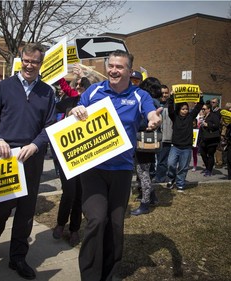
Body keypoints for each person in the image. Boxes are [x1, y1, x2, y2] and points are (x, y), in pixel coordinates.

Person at [70, 50, 162, 281]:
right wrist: (76, 110)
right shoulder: (94, 91)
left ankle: (111, 274)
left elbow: (150, 112)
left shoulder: (140, 95)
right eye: (111, 65)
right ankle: (90, 275)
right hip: (92, 169)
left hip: (121, 170)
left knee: (115, 223)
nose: (113, 70)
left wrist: (153, 118)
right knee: (96, 220)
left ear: (130, 71)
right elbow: (74, 113)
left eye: (119, 67)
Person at [0, 43, 56, 280]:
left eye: (35, 62)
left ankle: (18, 257)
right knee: (0, 210)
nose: (30, 65)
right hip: (5, 157)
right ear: (20, 60)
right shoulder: (4, 86)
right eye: (27, 60)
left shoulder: (47, 91)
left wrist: (35, 145)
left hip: (32, 158)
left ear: (41, 64)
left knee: (25, 211)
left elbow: (50, 125)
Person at [51, 74, 91, 247]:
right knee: (69, 192)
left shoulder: (94, 103)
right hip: (66, 156)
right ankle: (61, 224)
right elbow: (50, 110)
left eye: (83, 85)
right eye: (77, 84)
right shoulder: (68, 102)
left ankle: (74, 229)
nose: (80, 87)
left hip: (85, 157)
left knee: (80, 195)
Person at [131, 77, 162, 216]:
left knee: (143, 173)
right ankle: (153, 197)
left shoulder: (148, 102)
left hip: (144, 141)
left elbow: (144, 123)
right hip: (148, 142)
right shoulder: (155, 101)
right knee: (145, 172)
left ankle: (145, 204)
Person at [166, 94, 204, 191]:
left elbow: (199, 106)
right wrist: (171, 97)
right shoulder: (174, 116)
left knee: (183, 167)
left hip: (186, 148)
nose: (185, 111)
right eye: (183, 109)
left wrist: (201, 97)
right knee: (171, 164)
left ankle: (180, 183)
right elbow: (170, 109)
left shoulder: (191, 117)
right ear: (179, 109)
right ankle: (171, 179)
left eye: (186, 109)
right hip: (175, 147)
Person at [154, 85, 173, 182]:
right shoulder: (153, 104)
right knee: (151, 161)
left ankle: (160, 179)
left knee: (162, 161)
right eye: (162, 93)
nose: (164, 95)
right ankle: (152, 177)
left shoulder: (171, 105)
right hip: (153, 137)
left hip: (166, 137)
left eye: (166, 92)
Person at [199, 102, 221, 176]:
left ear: (209, 109)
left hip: (212, 139)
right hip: (204, 138)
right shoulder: (203, 116)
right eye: (202, 109)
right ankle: (207, 167)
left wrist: (207, 124)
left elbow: (217, 125)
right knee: (202, 153)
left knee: (210, 155)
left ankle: (209, 170)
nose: (203, 110)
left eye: (204, 109)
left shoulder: (213, 116)